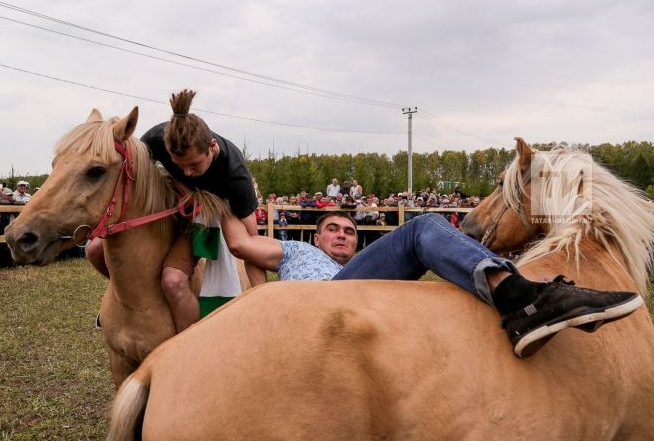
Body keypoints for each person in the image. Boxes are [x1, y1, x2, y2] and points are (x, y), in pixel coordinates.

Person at [222, 211, 642, 358]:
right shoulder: (294, 251)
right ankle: (519, 297)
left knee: (433, 241)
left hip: (361, 294)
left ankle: (523, 286)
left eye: (349, 232)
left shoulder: (365, 264)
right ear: (315, 237)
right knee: (421, 229)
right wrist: (217, 186)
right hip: (322, 302)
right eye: (332, 229)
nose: (341, 235)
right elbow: (240, 243)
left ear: (357, 243)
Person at [86, 89, 265, 334]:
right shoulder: (156, 138)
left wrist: (264, 300)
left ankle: (188, 345)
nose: (188, 172)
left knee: (174, 279)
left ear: (212, 147)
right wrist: (179, 187)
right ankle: (127, 306)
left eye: (194, 165)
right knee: (95, 249)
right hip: (169, 208)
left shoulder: (236, 174)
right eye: (179, 165)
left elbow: (252, 246)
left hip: (207, 218)